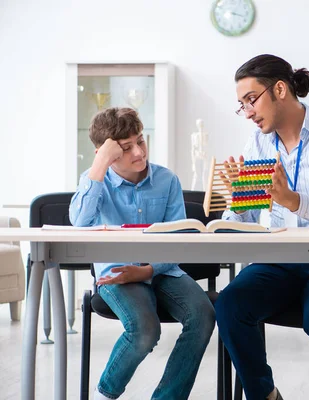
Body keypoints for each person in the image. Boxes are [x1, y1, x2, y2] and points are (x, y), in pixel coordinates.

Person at [214, 54, 309, 400]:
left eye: (251, 100)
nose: (248, 112)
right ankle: (265, 396)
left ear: (280, 89)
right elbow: (246, 219)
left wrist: (293, 200)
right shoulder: (257, 144)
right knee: (230, 304)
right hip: (279, 260)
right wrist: (235, 203)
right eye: (242, 106)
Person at [70, 107, 215, 400]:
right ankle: (105, 395)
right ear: (106, 153)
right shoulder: (94, 181)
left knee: (203, 315)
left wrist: (148, 270)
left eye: (141, 141)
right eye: (125, 148)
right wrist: (99, 166)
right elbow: (79, 222)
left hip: (163, 271)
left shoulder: (167, 180)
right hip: (118, 274)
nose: (138, 152)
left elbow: (180, 238)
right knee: (145, 329)